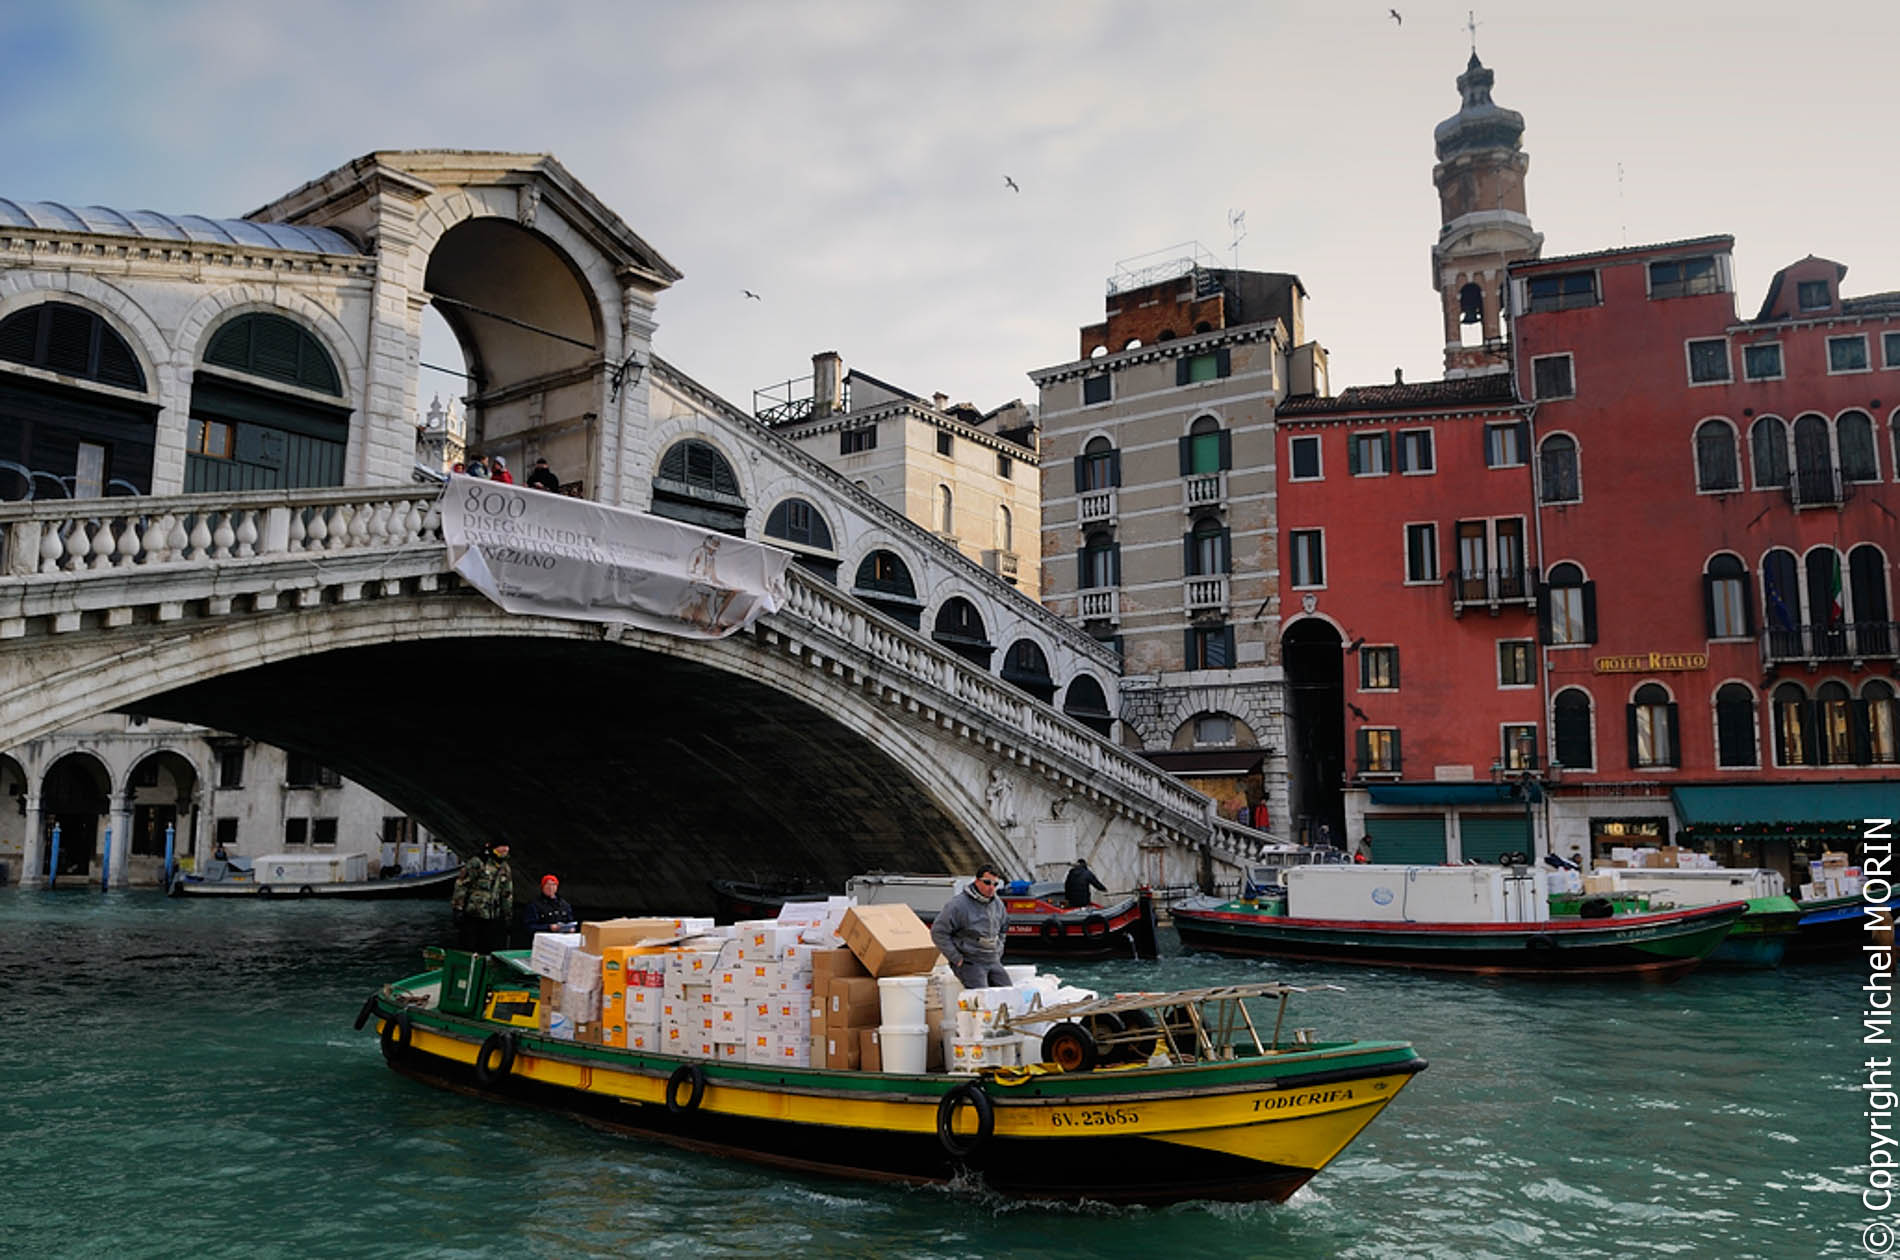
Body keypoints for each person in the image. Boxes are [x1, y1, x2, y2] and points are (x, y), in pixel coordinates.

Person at [930, 864, 1010, 990]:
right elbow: (938, 932)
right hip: (969, 961)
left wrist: (999, 950)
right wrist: (956, 958)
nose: (991, 888)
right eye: (987, 883)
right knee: (982, 995)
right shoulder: (958, 905)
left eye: (995, 884)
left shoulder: (998, 904)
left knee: (1008, 992)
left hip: (992, 958)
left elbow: (1003, 928)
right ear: (977, 881)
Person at [451, 841, 513, 952]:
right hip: (473, 912)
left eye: (506, 847)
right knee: (468, 945)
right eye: (502, 846)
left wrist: (507, 915)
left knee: (488, 946)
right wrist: (458, 908)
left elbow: (507, 893)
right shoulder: (479, 862)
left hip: (492, 914)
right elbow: (462, 884)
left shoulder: (505, 868)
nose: (505, 849)